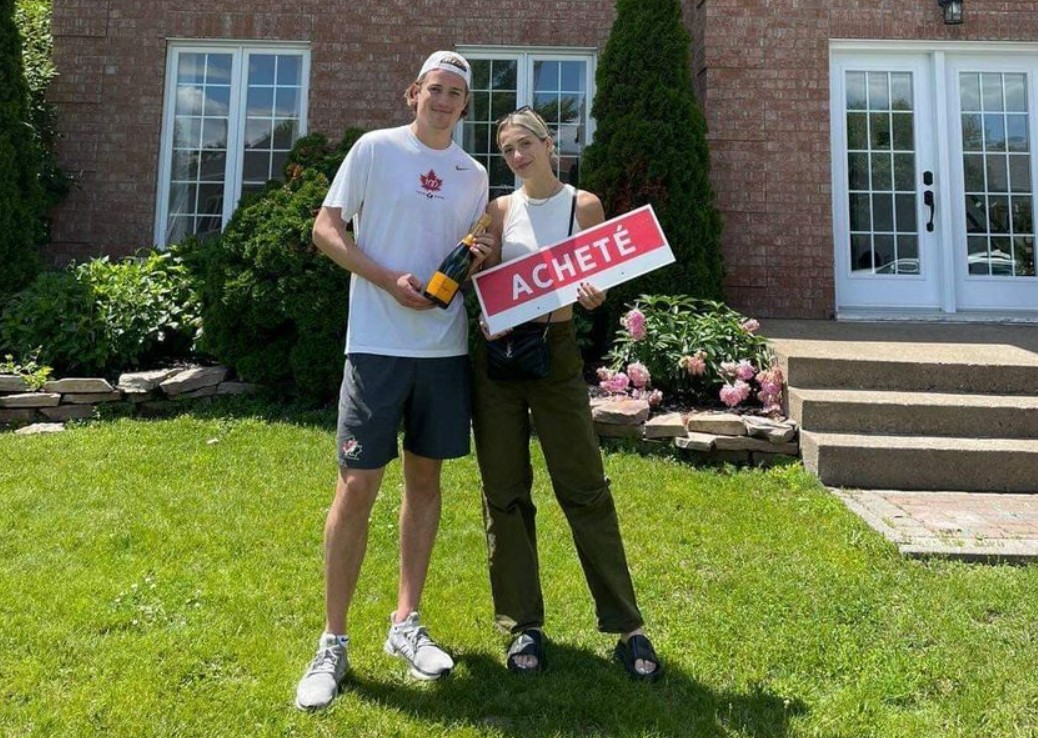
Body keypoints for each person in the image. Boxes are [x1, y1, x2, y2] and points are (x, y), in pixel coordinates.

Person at [295, 50, 492, 711]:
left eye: (456, 94)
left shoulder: (473, 174)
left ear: (466, 106)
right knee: (356, 489)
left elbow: (471, 256)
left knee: (426, 483)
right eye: (435, 89)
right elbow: (326, 229)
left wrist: (481, 260)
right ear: (413, 93)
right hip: (377, 346)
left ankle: (405, 624)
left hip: (443, 349)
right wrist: (386, 280)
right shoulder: (374, 151)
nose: (444, 101)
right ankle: (333, 642)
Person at [471, 107, 662, 680]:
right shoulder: (499, 210)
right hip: (500, 363)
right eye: (507, 149)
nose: (518, 156)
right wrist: (485, 311)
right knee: (504, 492)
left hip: (555, 353)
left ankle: (627, 626)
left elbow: (597, 275)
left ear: (549, 143)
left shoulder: (584, 205)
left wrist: (593, 295)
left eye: (525, 143)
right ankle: (522, 625)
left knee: (584, 488)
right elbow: (486, 285)